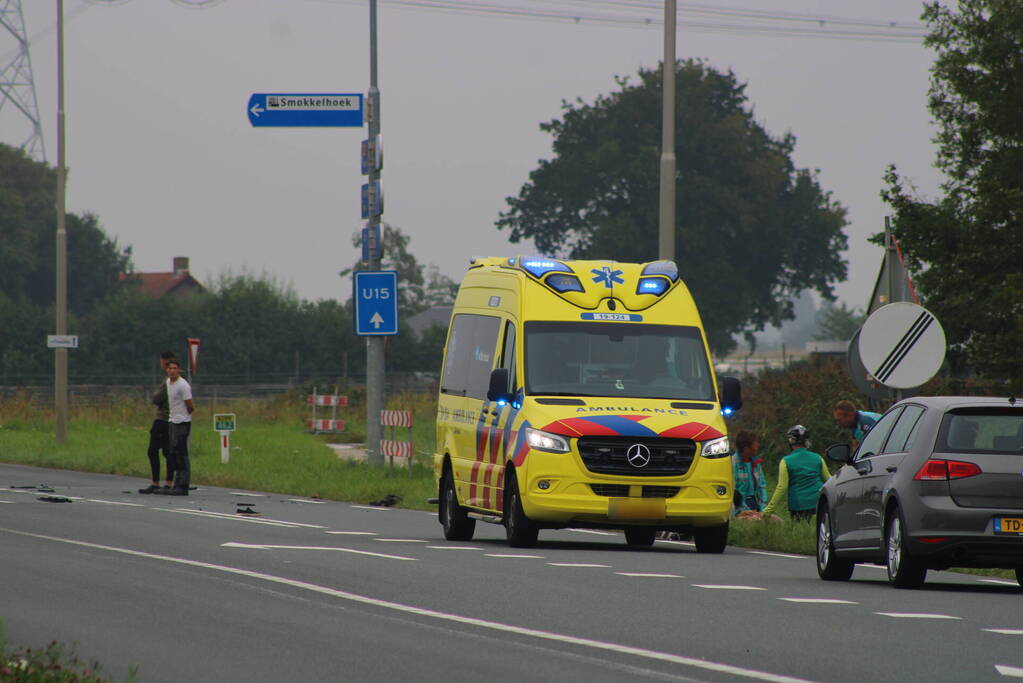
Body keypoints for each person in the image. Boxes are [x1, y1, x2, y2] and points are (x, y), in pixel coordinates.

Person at [761, 425, 830, 522]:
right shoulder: (818, 458)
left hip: (798, 506)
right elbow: (828, 480)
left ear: (791, 441)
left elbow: (782, 487)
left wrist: (768, 511)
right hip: (819, 502)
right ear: (807, 441)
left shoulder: (786, 461)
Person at [139, 351, 177, 494]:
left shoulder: (168, 381)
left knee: (154, 451)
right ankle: (167, 482)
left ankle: (158, 482)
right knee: (167, 452)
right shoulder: (176, 379)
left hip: (163, 419)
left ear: (165, 362)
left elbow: (156, 398)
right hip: (171, 419)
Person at [159, 359, 194, 496]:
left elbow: (190, 406)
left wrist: (184, 416)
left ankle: (183, 485)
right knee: (173, 453)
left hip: (182, 422)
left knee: (182, 453)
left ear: (178, 370)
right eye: (170, 368)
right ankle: (176, 483)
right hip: (172, 421)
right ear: (166, 370)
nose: (172, 371)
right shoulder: (168, 382)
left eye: (175, 368)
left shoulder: (183, 385)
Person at [731, 429, 767, 519]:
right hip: (741, 509)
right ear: (746, 448)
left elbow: (762, 486)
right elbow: (733, 493)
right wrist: (744, 511)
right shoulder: (732, 464)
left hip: (757, 504)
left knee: (778, 522)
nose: (758, 446)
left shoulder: (756, 463)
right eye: (755, 444)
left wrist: (763, 509)